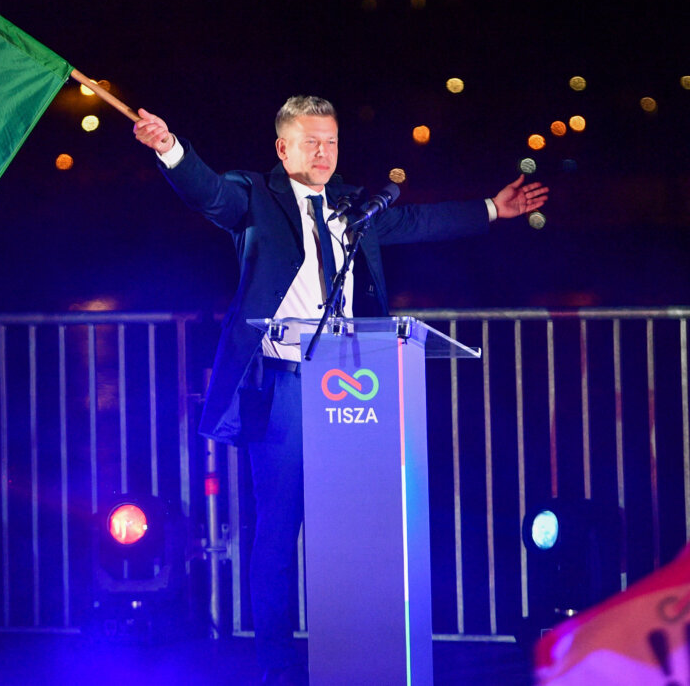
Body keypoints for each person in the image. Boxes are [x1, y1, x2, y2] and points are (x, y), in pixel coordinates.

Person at [134, 95, 547, 685]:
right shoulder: (254, 196)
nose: (323, 153)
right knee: (277, 532)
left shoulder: (355, 207)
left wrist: (490, 209)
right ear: (283, 148)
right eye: (311, 142)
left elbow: (418, 222)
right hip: (282, 387)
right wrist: (170, 149)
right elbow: (209, 194)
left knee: (355, 528)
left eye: (330, 141)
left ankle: (355, 658)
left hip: (355, 390)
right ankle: (279, 668)